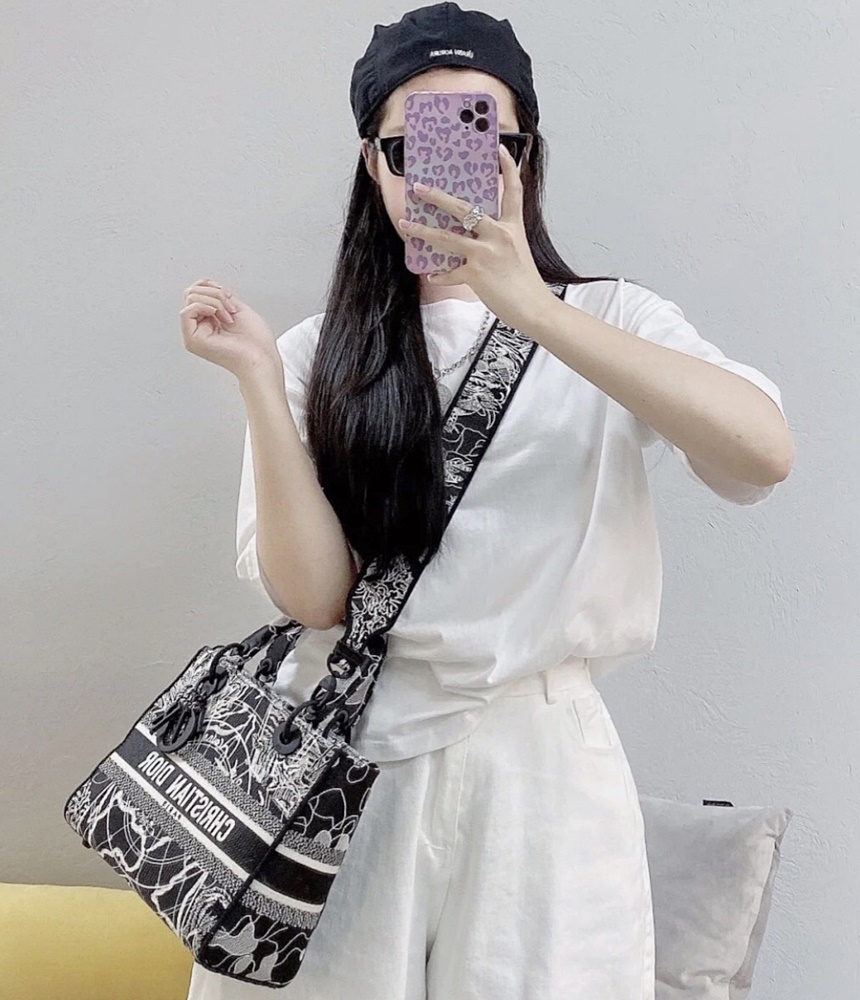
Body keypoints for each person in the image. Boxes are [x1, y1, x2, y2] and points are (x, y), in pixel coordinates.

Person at [179, 4, 794, 997]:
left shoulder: (611, 318)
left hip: (540, 760)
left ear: (521, 153)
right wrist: (256, 373)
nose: (443, 169)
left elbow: (761, 454)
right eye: (409, 145)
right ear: (374, 163)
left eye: (479, 136)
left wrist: (533, 308)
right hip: (347, 758)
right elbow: (316, 597)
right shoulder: (318, 352)